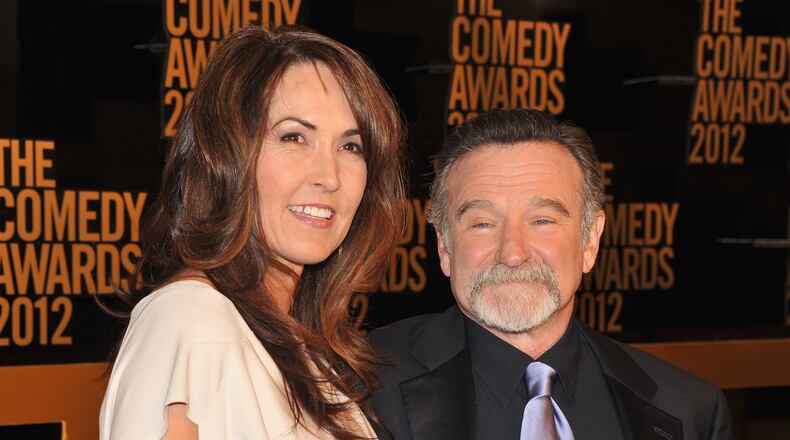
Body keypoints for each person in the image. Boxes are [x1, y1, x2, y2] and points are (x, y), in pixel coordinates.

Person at [100, 25, 405, 440]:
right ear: (226, 158)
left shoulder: (306, 350)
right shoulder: (190, 318)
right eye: (294, 137)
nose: (329, 177)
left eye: (350, 147)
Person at [367, 109, 732, 440]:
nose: (512, 253)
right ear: (444, 246)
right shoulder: (358, 387)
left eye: (542, 221)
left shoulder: (690, 411)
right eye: (482, 223)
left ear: (590, 240)